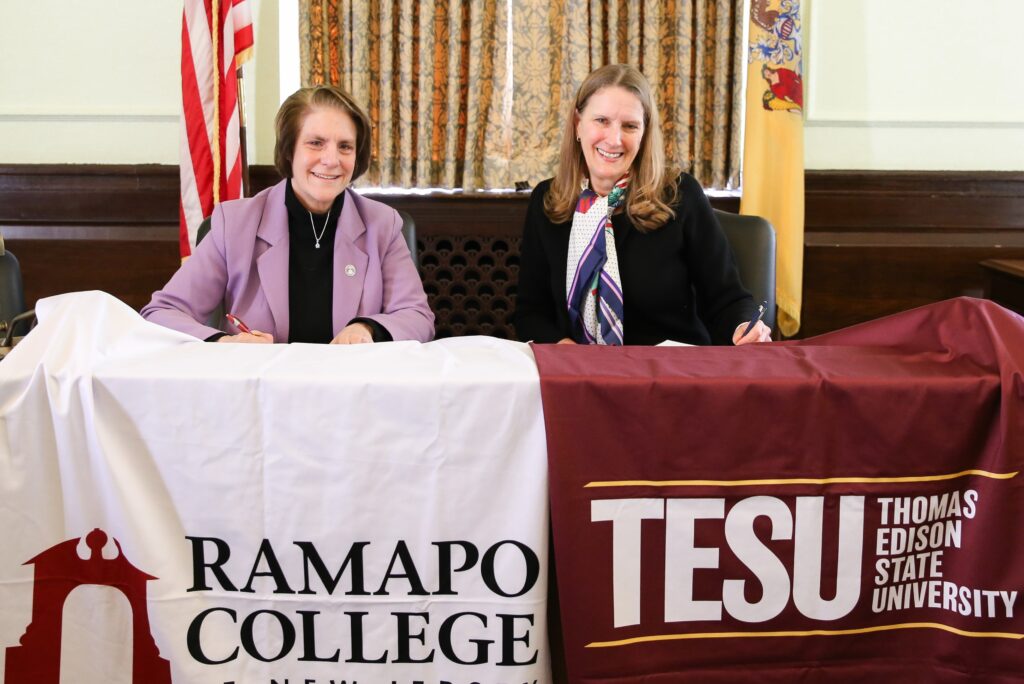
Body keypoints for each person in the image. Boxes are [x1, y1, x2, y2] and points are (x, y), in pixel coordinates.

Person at [142, 85, 434, 344]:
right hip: (261, 384)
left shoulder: (382, 225)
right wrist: (224, 342)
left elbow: (417, 316)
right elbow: (162, 313)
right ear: (289, 150)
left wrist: (368, 327)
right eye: (316, 143)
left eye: (345, 147)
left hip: (350, 384)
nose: (331, 160)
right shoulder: (235, 224)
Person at [513, 64, 771, 346]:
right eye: (601, 120)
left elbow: (727, 300)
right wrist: (567, 351)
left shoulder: (681, 195)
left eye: (630, 126)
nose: (614, 139)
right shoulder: (547, 199)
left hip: (672, 367)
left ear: (645, 133)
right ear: (578, 124)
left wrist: (744, 327)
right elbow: (530, 314)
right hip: (578, 368)